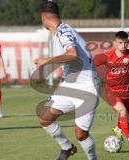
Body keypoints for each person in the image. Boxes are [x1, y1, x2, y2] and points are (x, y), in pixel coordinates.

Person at [34, 1, 99, 160]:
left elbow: (72, 54)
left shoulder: (63, 31)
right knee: (44, 118)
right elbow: (70, 61)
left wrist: (46, 61)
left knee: (81, 134)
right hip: (70, 86)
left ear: (43, 18)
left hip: (86, 88)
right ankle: (67, 148)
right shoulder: (59, 32)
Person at [93, 31, 129, 151]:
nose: (123, 45)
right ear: (115, 43)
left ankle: (118, 129)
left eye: (126, 43)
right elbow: (91, 63)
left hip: (126, 92)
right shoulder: (107, 56)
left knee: (127, 114)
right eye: (120, 43)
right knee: (123, 111)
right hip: (111, 91)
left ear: (128, 42)